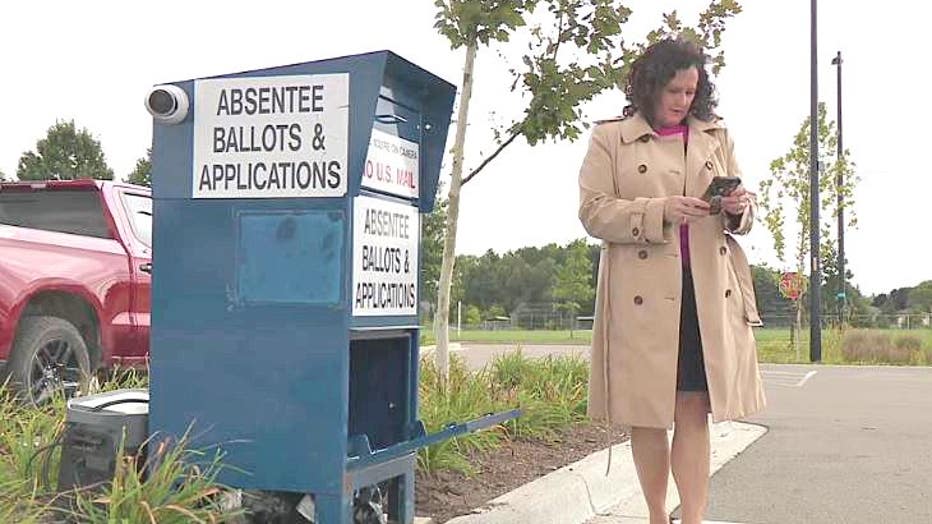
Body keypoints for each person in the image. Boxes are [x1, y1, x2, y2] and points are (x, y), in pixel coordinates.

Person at [577, 37, 766, 524]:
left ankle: (695, 518)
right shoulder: (610, 138)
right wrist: (659, 211)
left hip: (704, 293)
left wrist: (739, 208)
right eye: (675, 91)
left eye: (691, 91)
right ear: (651, 86)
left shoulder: (715, 135)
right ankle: (657, 515)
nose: (683, 101)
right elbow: (593, 212)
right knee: (648, 412)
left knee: (693, 407)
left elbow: (743, 211)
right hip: (641, 297)